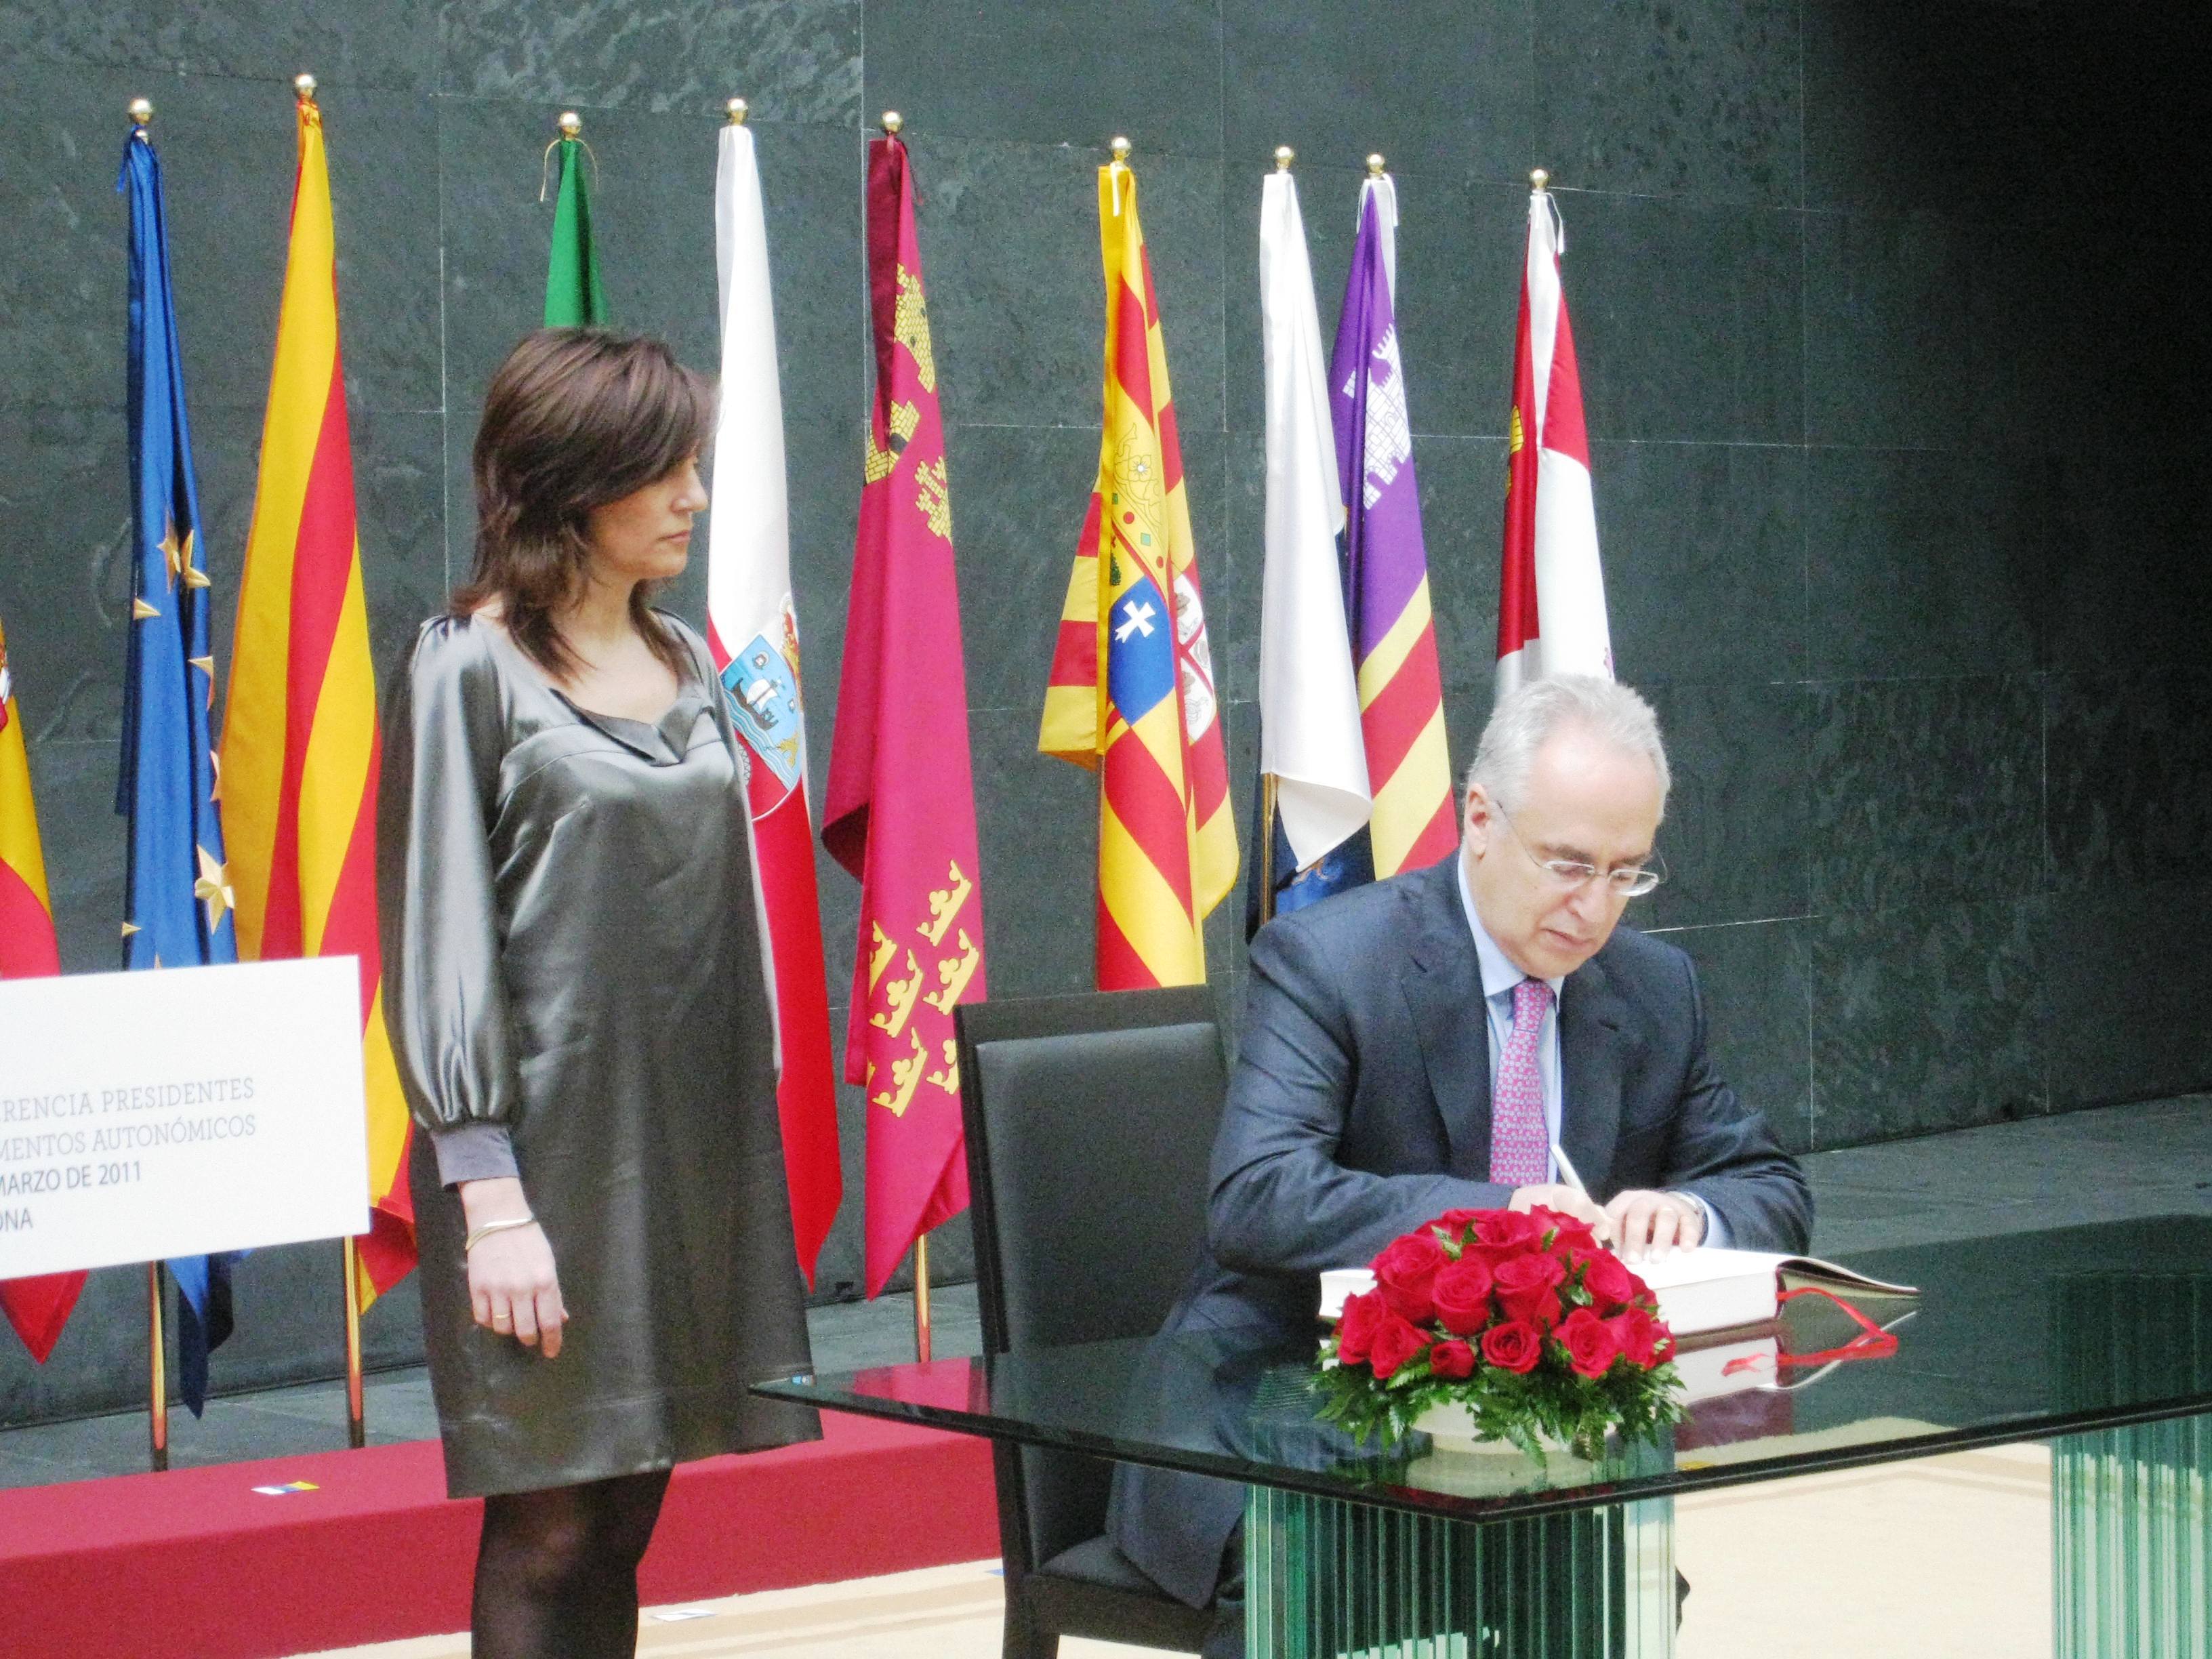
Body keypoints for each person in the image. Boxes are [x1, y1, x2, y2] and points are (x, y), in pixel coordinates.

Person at [1108, 673, 1813, 1655]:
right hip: (1286, 1410)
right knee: (1311, 1577)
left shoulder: (1653, 988)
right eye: (1569, 864)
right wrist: (1504, 1218)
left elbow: (1770, 1187)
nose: (1594, 906)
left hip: (1532, 1438)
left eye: (1627, 873)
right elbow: (1257, 1197)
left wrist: (1690, 1213)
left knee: (1618, 1580)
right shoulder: (1330, 962)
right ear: (1480, 818)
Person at [378, 328, 817, 1659]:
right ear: (575, 482)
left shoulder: (686, 655)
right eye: (666, 471)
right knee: (549, 1530)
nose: (695, 497)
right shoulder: (467, 664)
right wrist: (489, 1195)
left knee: (627, 1517)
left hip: (688, 1153)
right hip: (541, 1164)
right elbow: (438, 930)